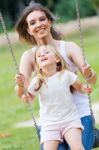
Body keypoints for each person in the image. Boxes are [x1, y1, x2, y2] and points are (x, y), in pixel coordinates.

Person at [15, 1, 97, 150]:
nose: (38, 24)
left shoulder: (69, 47)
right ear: (28, 29)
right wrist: (20, 85)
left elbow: (92, 79)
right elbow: (22, 92)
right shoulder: (29, 56)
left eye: (42, 19)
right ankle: (94, 137)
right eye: (33, 22)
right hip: (52, 121)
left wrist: (89, 73)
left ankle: (92, 135)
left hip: (79, 115)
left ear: (49, 21)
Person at [21, 45, 93, 150]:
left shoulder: (66, 75)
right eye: (39, 55)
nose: (42, 55)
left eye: (46, 53)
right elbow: (29, 96)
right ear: (38, 66)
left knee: (77, 147)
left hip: (70, 120)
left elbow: (79, 87)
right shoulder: (38, 81)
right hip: (49, 124)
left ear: (57, 59)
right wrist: (25, 95)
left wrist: (85, 88)